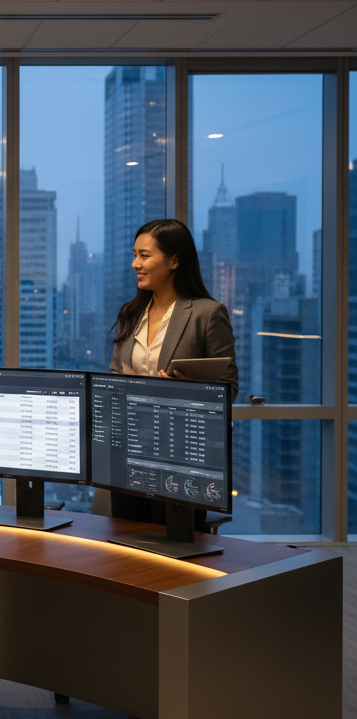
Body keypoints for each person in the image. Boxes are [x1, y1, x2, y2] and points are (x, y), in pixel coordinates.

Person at [107, 218, 238, 525]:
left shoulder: (206, 314)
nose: (134, 263)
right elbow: (111, 380)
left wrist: (187, 391)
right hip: (130, 454)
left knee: (178, 554)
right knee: (126, 550)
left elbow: (228, 388)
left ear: (175, 260)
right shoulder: (130, 314)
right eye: (134, 254)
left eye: (144, 255)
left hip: (182, 459)